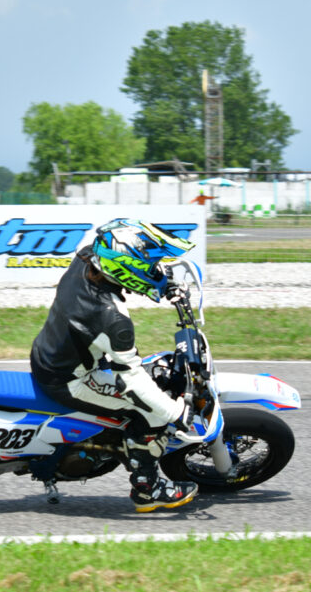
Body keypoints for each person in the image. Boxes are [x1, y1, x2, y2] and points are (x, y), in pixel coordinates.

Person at [30, 218, 200, 513]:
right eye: (145, 265)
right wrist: (176, 413)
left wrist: (165, 282)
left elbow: (127, 265)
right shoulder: (112, 318)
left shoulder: (86, 257)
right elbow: (131, 378)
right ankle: (149, 489)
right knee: (149, 413)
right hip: (69, 380)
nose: (151, 269)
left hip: (52, 351)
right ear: (125, 268)